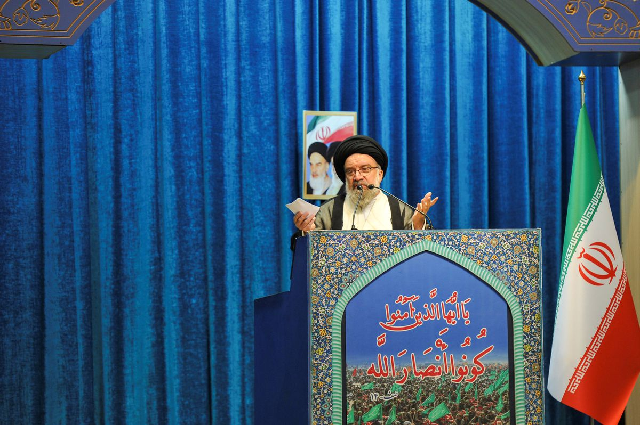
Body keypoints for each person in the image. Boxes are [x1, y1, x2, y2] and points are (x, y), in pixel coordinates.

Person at [294, 135, 438, 231]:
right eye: (350, 171)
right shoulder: (329, 211)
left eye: (365, 169)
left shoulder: (401, 211)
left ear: (380, 174)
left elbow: (417, 258)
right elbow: (314, 256)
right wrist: (307, 232)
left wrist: (418, 224)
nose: (357, 176)